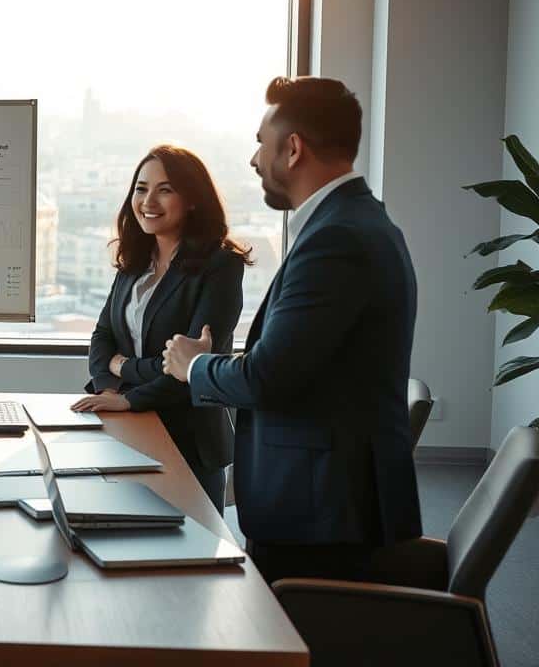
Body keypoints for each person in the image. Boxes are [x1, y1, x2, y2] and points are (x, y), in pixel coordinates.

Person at [162, 76, 422, 584]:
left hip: (323, 517)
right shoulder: (351, 223)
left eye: (261, 143)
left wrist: (193, 366)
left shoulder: (337, 239)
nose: (255, 160)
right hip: (323, 503)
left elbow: (266, 376)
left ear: (293, 149)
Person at [72, 145, 249, 512]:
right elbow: (102, 335)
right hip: (126, 429)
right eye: (141, 188)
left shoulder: (220, 266)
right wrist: (110, 388)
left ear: (193, 200)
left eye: (165, 189)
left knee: (192, 559)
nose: (148, 200)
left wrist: (127, 385)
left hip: (187, 439)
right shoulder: (135, 261)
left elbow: (192, 364)